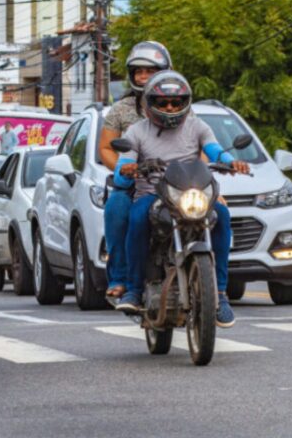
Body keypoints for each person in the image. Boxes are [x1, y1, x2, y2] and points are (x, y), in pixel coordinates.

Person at [113, 71, 250, 328]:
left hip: (191, 194)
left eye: (176, 102)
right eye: (163, 102)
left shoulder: (198, 126)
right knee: (137, 218)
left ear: (185, 102)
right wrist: (129, 168)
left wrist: (233, 163)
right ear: (149, 103)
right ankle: (132, 288)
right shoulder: (136, 131)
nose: (170, 107)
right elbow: (123, 166)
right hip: (153, 195)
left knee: (222, 217)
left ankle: (220, 293)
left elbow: (215, 150)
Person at [98, 41, 173, 299]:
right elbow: (106, 148)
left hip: (173, 180)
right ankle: (120, 277)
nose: (143, 77)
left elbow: (197, 145)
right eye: (138, 72)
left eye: (150, 71)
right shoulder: (121, 110)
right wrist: (124, 167)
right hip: (134, 182)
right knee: (117, 209)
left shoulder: (177, 102)